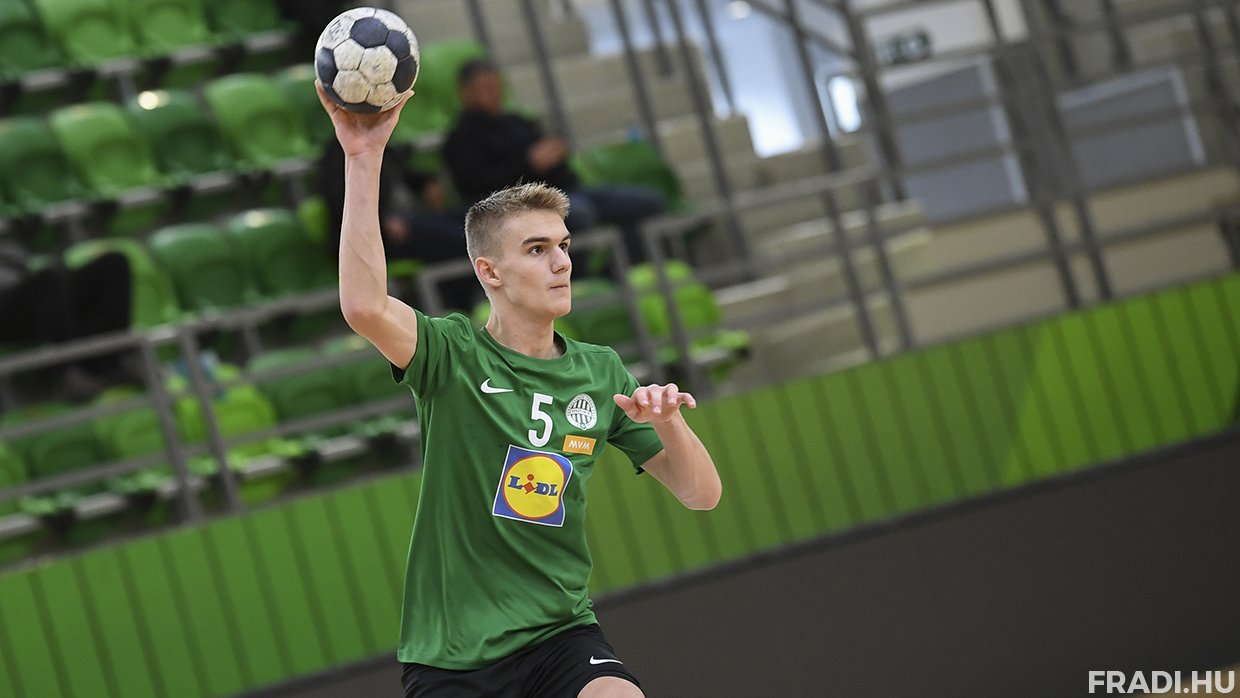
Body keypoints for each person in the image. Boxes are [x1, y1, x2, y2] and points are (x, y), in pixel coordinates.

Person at [318, 80, 721, 698]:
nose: (562, 262)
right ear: (490, 272)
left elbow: (701, 495)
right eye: (537, 249)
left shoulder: (601, 371)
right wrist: (363, 157)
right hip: (455, 657)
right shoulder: (451, 354)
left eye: (563, 245)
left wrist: (670, 422)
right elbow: (364, 306)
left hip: (561, 636)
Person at [442, 58, 665, 266]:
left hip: (565, 191)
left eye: (496, 87)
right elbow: (477, 186)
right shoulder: (461, 138)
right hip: (519, 208)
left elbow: (555, 164)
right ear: (466, 93)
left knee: (646, 202)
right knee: (579, 213)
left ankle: (618, 271)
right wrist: (529, 164)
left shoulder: (517, 122)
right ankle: (571, 279)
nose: (494, 94)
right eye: (485, 88)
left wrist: (556, 154)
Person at [319, 139, 477, 309]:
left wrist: (427, 182)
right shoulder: (343, 153)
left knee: (474, 219)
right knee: (458, 237)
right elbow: (344, 203)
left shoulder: (382, 145)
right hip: (378, 236)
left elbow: (404, 175)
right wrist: (381, 221)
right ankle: (462, 305)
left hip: (412, 220)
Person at [0, 243, 134, 400]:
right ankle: (68, 371)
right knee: (47, 280)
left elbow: (21, 262)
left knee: (113, 263)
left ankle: (114, 357)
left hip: (27, 291)